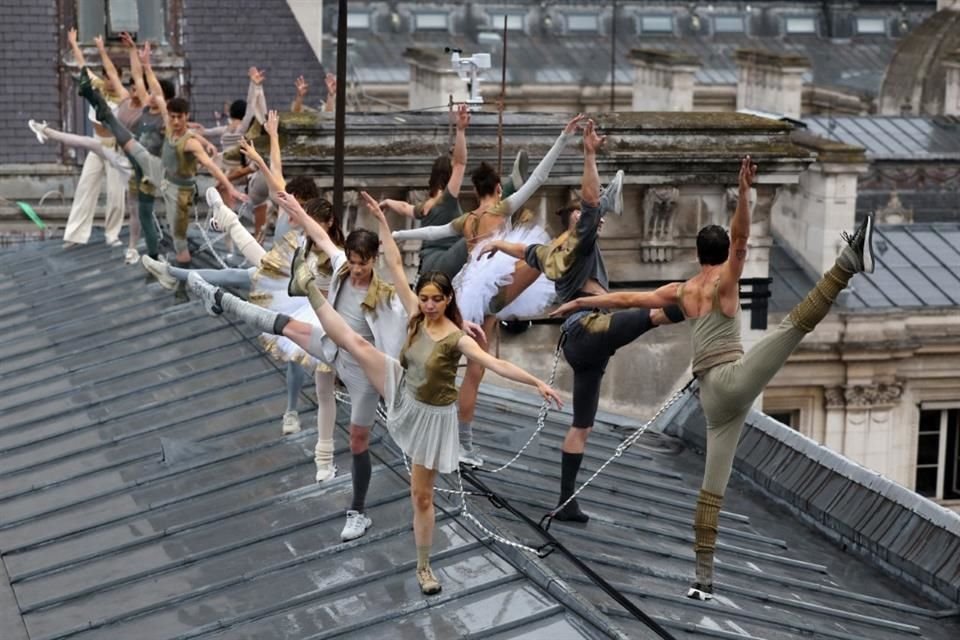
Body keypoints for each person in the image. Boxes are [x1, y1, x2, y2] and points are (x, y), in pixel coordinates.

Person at [186, 190, 562, 596]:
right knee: (304, 330)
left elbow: (490, 361)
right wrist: (303, 210)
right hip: (359, 359)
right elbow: (352, 248)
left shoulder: (425, 319)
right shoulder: (373, 286)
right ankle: (224, 300)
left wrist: (535, 381)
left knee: (401, 477)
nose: (429, 305)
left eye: (436, 300)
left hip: (396, 392)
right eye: (425, 299)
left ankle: (396, 542)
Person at [551, 156, 876, 601]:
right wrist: (743, 192)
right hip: (731, 379)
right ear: (725, 258)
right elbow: (742, 236)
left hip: (712, 400)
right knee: (795, 325)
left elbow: (625, 298)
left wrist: (577, 304)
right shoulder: (725, 282)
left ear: (696, 255)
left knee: (711, 492)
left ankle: (702, 581)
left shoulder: (683, 290)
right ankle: (849, 261)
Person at [483, 119, 684, 524]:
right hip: (589, 329)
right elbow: (590, 202)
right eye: (587, 218)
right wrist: (590, 154)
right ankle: (700, 302)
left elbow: (524, 252)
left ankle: (565, 502)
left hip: (583, 348)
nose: (595, 221)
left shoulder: (552, 252)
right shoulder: (582, 242)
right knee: (657, 313)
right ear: (577, 223)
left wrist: (495, 244)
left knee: (583, 425)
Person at [391, 114, 583, 467]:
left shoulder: (467, 220)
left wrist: (396, 235)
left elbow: (431, 233)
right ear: (497, 189)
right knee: (541, 257)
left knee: (474, 368)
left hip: (470, 288)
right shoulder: (502, 208)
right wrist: (563, 138)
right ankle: (581, 228)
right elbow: (539, 178)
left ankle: (460, 441)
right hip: (491, 283)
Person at [77, 43, 247, 296]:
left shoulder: (189, 142)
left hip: (178, 190)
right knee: (129, 141)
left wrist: (230, 188)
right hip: (160, 170)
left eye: (180, 117)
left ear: (186, 116)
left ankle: (183, 287)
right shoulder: (168, 121)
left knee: (179, 241)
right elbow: (155, 90)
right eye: (173, 116)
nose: (175, 121)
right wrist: (146, 65)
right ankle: (95, 100)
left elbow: (212, 166)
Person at [59, 28, 127, 250]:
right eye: (106, 77)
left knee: (116, 194)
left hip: (115, 147)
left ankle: (112, 234)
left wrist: (102, 50)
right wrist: (73, 43)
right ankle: (74, 235)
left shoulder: (123, 97)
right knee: (85, 187)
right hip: (97, 144)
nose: (109, 81)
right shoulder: (98, 86)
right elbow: (82, 66)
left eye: (112, 78)